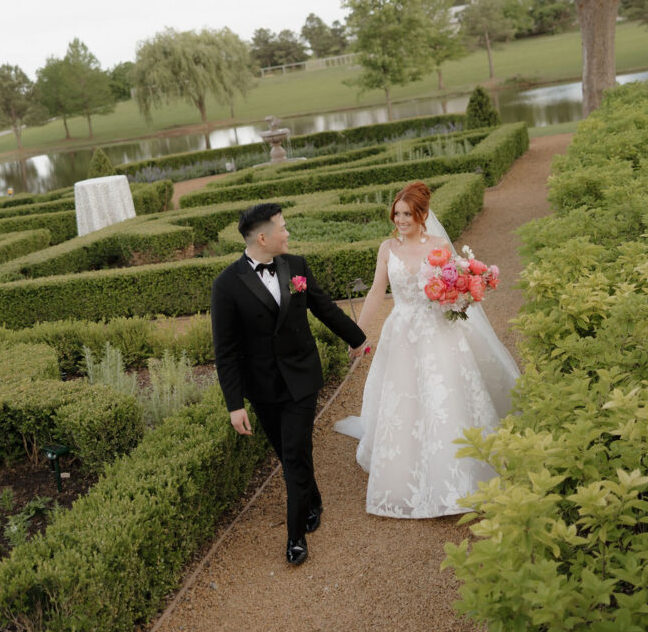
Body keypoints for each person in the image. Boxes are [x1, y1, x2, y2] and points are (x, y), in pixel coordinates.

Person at [335, 181, 519, 519]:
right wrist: (357, 332)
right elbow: (377, 292)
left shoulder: (439, 246)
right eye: (397, 213)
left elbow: (455, 287)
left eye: (408, 214)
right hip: (401, 331)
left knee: (445, 397)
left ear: (422, 215)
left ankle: (458, 478)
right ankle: (406, 472)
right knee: (404, 399)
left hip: (439, 331)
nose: (401, 219)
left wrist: (461, 295)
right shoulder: (386, 248)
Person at [211, 202, 367, 565]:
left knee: (295, 453)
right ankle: (311, 497)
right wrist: (235, 404)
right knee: (287, 453)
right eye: (282, 227)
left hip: (301, 377)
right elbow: (226, 351)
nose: (288, 233)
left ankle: (295, 537)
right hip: (263, 387)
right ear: (262, 237)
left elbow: (323, 307)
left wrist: (357, 338)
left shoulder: (296, 266)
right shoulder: (226, 285)